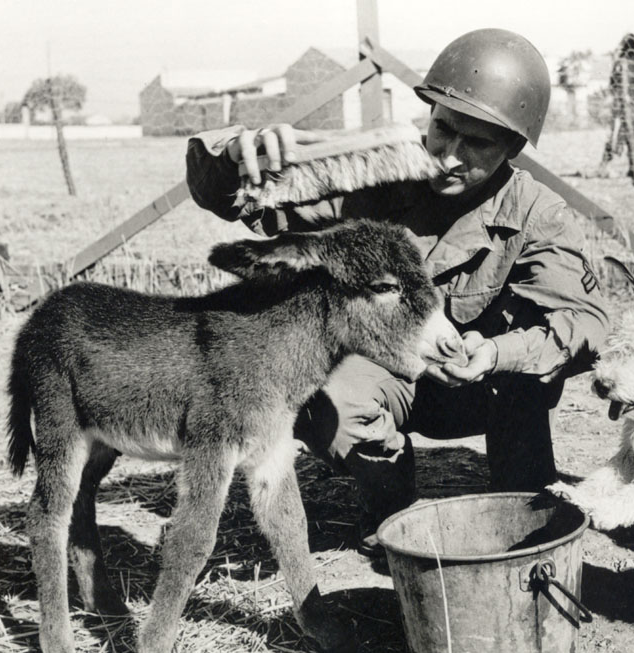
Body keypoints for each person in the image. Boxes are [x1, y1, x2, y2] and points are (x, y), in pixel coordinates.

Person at [185, 28, 609, 555]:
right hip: (391, 377)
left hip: (486, 391)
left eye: (477, 144)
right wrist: (234, 156)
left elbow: (585, 325)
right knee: (325, 393)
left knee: (530, 510)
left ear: (513, 148)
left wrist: (497, 353)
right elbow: (243, 202)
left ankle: (525, 500)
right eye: (443, 129)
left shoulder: (538, 213)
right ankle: (392, 504)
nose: (449, 157)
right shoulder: (379, 177)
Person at [595, 33, 634, 182]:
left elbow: (613, 84)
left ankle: (606, 166)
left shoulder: (621, 64)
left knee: (615, 137)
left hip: (625, 107)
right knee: (632, 138)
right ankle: (632, 169)